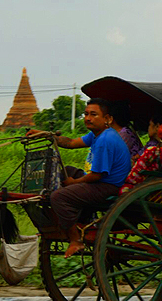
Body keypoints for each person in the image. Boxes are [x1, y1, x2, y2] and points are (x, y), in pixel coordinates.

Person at [26, 98, 132, 258]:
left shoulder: (105, 140)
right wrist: (45, 135)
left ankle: (75, 240)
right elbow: (71, 142)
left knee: (59, 197)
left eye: (94, 114)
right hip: (100, 181)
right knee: (64, 171)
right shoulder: (97, 134)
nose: (88, 118)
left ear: (107, 119)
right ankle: (69, 219)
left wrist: (74, 183)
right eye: (86, 114)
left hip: (107, 187)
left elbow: (97, 175)